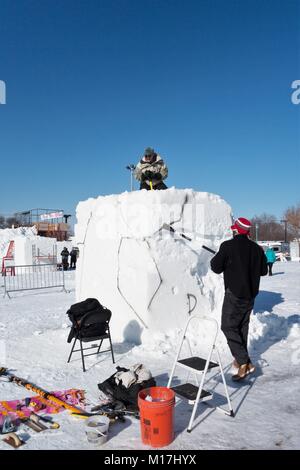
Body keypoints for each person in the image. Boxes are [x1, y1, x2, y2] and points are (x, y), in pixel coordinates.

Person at [210, 217, 268, 381]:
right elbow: (263, 271)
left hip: (234, 295)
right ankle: (242, 361)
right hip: (250, 296)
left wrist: (223, 257)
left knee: (228, 327)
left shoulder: (227, 246)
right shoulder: (257, 249)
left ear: (235, 230)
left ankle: (244, 361)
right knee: (242, 327)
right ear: (248, 232)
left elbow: (215, 267)